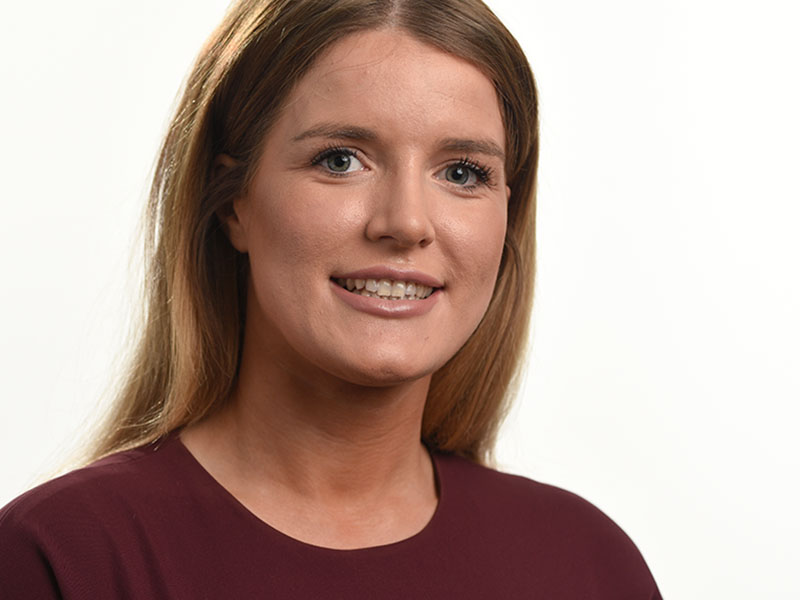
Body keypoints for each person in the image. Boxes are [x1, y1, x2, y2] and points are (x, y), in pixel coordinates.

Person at [0, 0, 661, 597]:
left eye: (462, 173)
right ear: (233, 203)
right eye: (341, 159)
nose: (406, 222)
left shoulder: (588, 566)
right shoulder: (61, 559)